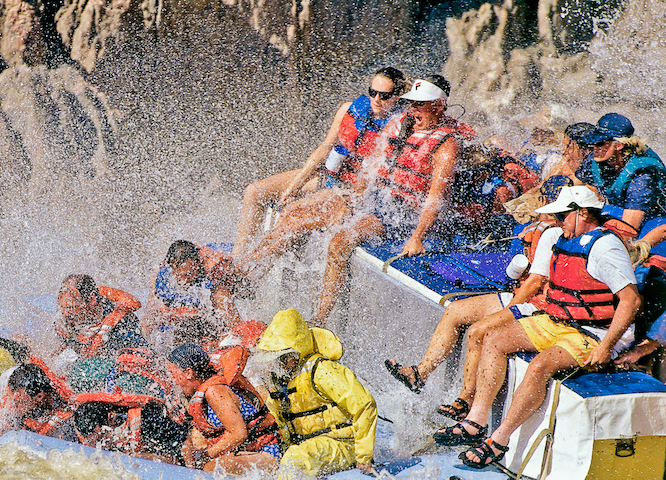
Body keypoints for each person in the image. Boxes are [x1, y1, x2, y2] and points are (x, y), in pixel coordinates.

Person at [438, 187, 640, 468]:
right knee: (493, 338)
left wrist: (606, 347)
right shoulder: (563, 238)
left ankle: (499, 440)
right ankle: (476, 420)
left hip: (592, 333)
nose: (557, 221)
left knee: (539, 367)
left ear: (582, 214)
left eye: (561, 215)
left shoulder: (605, 247)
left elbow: (631, 301)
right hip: (557, 320)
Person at [384, 177, 567, 418]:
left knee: (478, 331)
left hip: (534, 302)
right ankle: (420, 373)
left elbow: (536, 282)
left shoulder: (552, 234)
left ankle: (465, 400)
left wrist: (509, 310)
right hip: (521, 293)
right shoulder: (542, 228)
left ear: (543, 200)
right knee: (455, 311)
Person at [311, 76, 469, 322]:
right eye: (411, 104)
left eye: (420, 105)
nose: (413, 110)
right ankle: (245, 273)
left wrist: (417, 237)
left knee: (339, 242)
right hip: (379, 199)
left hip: (405, 214)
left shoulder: (446, 145)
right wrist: (350, 204)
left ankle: (320, 319)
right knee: (300, 216)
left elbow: (435, 200)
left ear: (438, 106)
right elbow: (370, 168)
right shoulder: (397, 124)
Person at [234, 67, 408, 260]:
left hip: (349, 191)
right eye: (372, 92)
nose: (376, 99)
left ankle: (249, 267)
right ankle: (236, 258)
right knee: (254, 191)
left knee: (290, 212)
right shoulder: (349, 109)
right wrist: (293, 187)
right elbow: (324, 148)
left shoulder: (398, 129)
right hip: (329, 177)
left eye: (384, 96)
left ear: (398, 95)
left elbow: (375, 177)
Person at [254, 309, 377, 475]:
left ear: (298, 351)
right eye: (276, 358)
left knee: (295, 458)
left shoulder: (322, 371)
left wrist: (363, 456)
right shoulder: (279, 380)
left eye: (283, 357)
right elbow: (277, 422)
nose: (279, 364)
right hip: (309, 446)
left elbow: (364, 404)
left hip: (343, 444)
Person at [166, 343, 281, 474]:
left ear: (188, 373)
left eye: (172, 373)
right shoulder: (203, 393)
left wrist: (205, 456)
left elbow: (238, 434)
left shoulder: (215, 392)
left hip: (267, 454)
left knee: (210, 468)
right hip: (246, 453)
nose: (172, 380)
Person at [575, 113, 666, 240]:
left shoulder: (643, 174)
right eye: (593, 142)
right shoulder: (597, 158)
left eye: (600, 143)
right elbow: (572, 191)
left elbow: (627, 231)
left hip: (653, 230)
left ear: (619, 145)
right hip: (621, 215)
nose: (594, 147)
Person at [146, 240, 249, 342]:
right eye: (178, 275)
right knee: (158, 306)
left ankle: (243, 335)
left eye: (187, 274)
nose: (182, 281)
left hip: (239, 281)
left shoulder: (214, 267)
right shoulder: (168, 265)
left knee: (219, 295)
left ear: (197, 264)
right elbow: (151, 308)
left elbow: (223, 295)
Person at [73, 392, 189, 465]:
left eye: (100, 437)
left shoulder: (147, 422)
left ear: (111, 419)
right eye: (91, 441)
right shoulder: (81, 428)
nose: (99, 445)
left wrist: (145, 457)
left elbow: (186, 449)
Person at [55, 274, 147, 360]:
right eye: (62, 307)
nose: (65, 313)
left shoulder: (122, 322)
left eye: (72, 307)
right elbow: (58, 348)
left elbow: (134, 303)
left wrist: (100, 290)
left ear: (91, 299)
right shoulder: (65, 316)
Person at [0, 362, 78, 441]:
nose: (13, 406)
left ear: (39, 397)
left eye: (19, 402)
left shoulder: (66, 411)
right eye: (12, 400)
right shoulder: (10, 377)